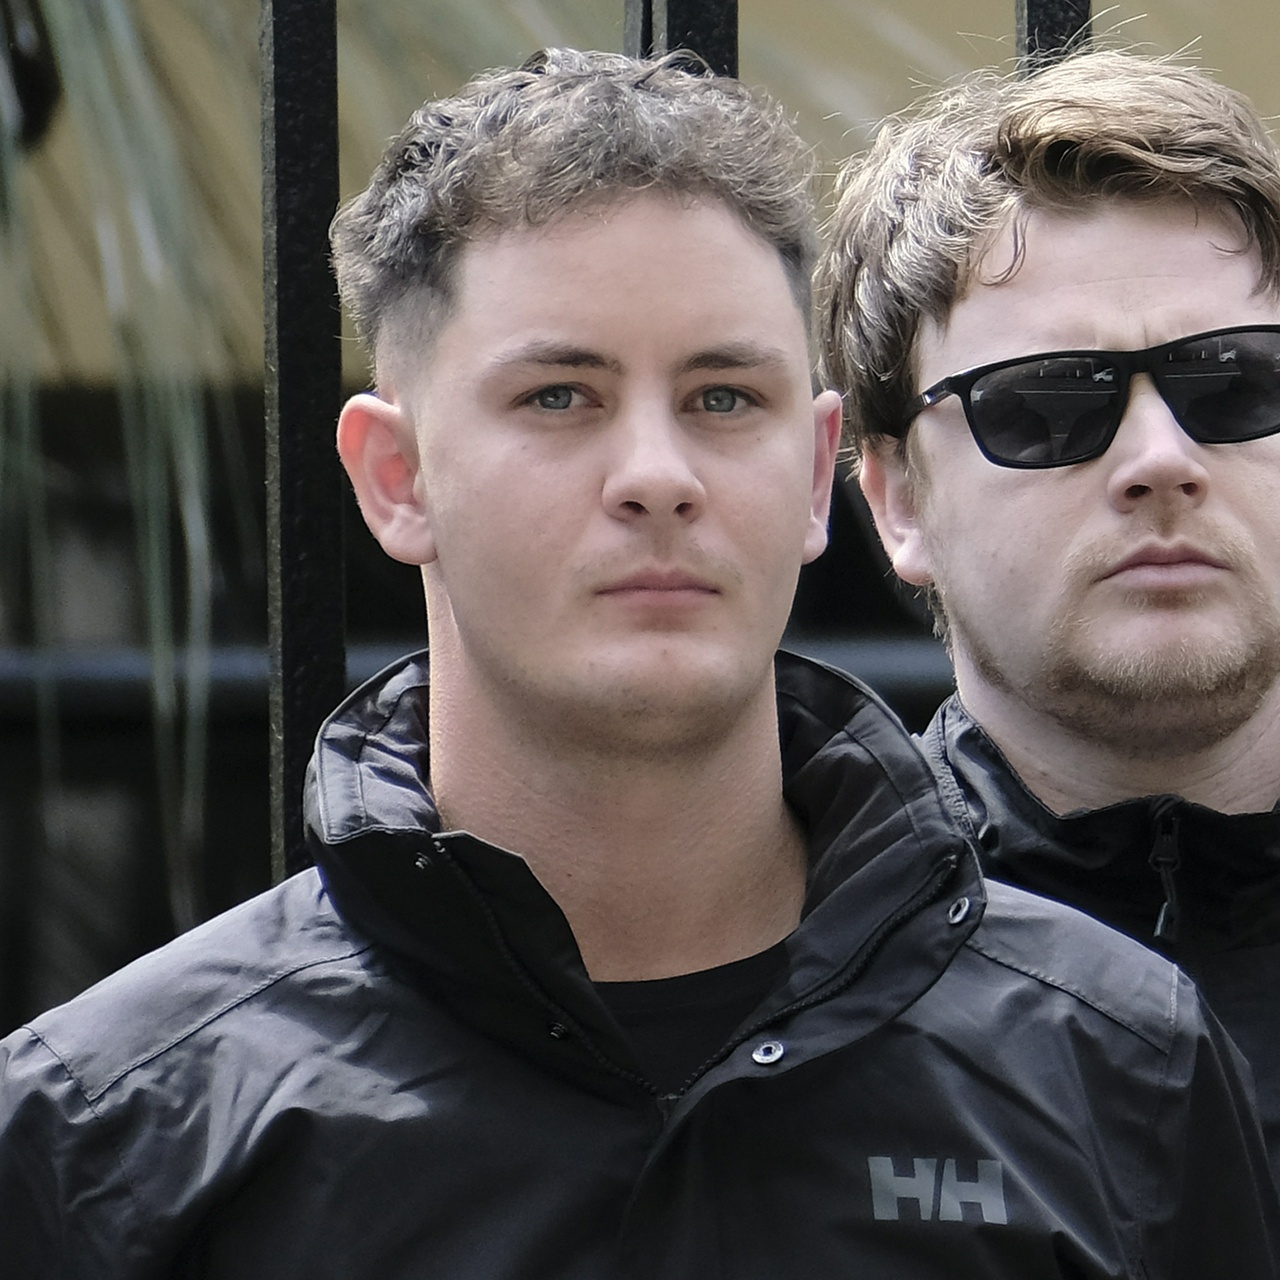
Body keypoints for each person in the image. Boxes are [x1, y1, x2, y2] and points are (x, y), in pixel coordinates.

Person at [1, 48, 1276, 1280]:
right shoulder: (107, 1125)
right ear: (395, 477)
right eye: (559, 394)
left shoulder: (1121, 1061)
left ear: (811, 466)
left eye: (724, 396)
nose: (657, 475)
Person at [818, 47, 1280, 1182]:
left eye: (1235, 381)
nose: (1159, 459)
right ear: (895, 498)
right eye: (1042, 402)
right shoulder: (779, 962)